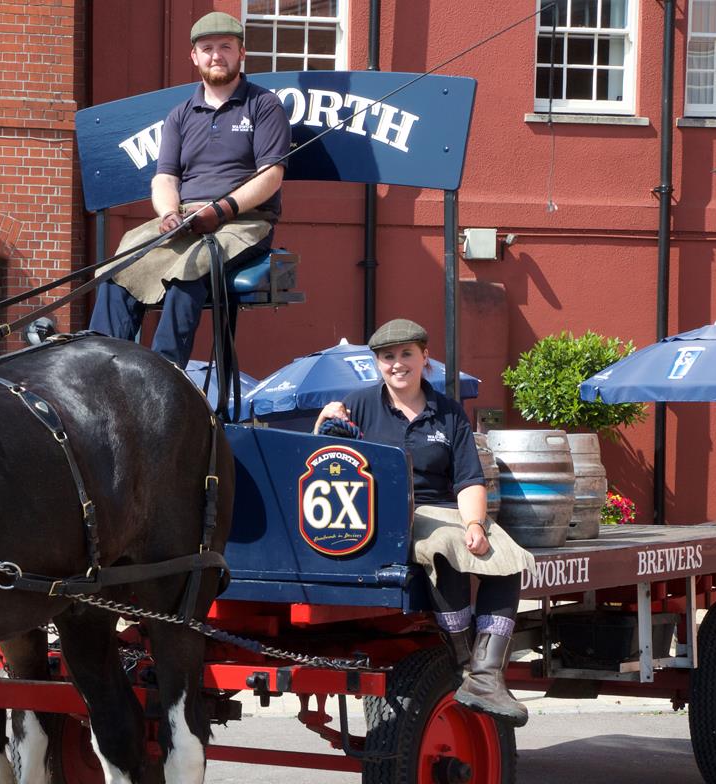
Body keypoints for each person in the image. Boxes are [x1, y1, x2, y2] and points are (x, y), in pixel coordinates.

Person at [315, 319, 536, 726]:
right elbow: (326, 463)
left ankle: (486, 675)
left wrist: (474, 524)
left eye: (406, 354)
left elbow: (469, 477)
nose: (397, 364)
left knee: (506, 557)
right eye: (387, 357)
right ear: (377, 363)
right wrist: (324, 422)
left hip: (441, 508)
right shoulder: (359, 404)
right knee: (444, 551)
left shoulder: (448, 412)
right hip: (381, 513)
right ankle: (466, 663)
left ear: (424, 358)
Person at [88, 11, 291, 369]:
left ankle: (164, 372)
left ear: (241, 53)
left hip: (243, 222)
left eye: (226, 47)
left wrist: (223, 209)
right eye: (207, 48)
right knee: (117, 268)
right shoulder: (180, 115)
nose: (216, 55)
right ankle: (101, 365)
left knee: (189, 270)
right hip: (185, 216)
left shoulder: (264, 105)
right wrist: (168, 213)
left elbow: (271, 175)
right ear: (194, 57)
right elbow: (165, 178)